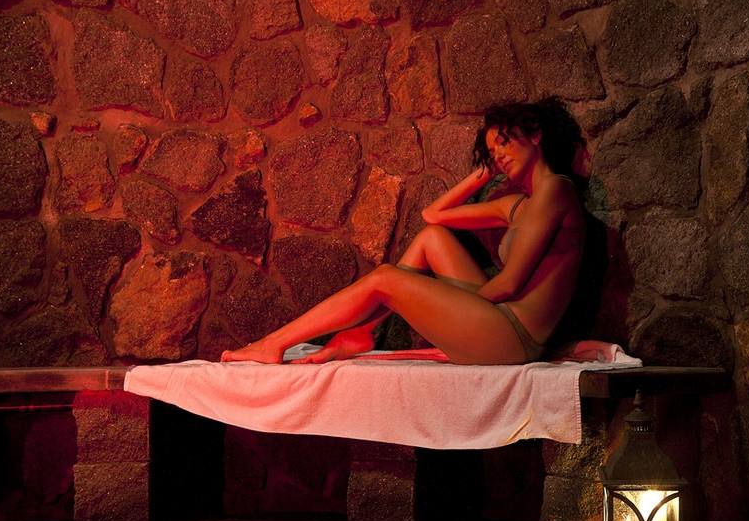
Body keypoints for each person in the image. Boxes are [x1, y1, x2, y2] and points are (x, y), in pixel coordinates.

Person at [220, 98, 587, 366]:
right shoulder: (516, 205)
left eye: (504, 143)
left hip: (515, 337)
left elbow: (509, 284)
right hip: (499, 321)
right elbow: (434, 215)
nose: (499, 155)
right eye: (492, 151)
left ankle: (275, 343)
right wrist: (482, 174)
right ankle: (360, 333)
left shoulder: (557, 189)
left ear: (535, 135)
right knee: (431, 238)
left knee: (385, 279)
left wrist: (438, 302)